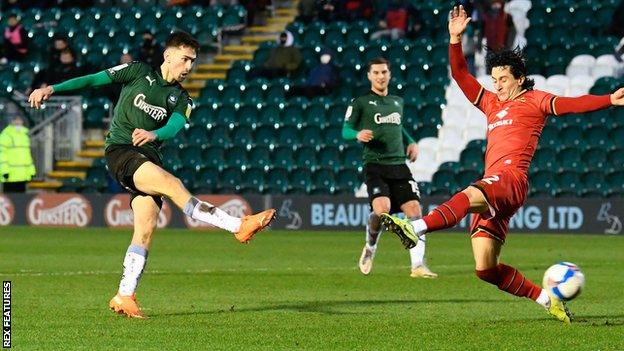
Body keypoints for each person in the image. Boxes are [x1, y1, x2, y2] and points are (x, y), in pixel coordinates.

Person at [381, 6, 624, 323]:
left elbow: (571, 105)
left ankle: (416, 228)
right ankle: (545, 298)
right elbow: (460, 75)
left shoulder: (535, 101)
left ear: (520, 79)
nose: (498, 85)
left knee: (469, 194)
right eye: (495, 79)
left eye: (504, 79)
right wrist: (455, 38)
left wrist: (608, 99)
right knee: (486, 269)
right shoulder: (491, 103)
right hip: (495, 187)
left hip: (511, 180)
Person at [27, 31, 276, 319]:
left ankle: (125, 295)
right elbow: (94, 79)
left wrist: (154, 133)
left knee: (145, 230)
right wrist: (53, 89)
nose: (189, 67)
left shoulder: (182, 99)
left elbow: (174, 127)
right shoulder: (137, 72)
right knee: (173, 184)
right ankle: (237, 225)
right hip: (122, 152)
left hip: (149, 160)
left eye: (193, 61)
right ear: (168, 55)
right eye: (185, 59)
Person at [342, 57, 437, 278]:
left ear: (389, 74)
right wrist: (356, 134)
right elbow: (345, 129)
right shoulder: (360, 102)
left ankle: (417, 265)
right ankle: (370, 247)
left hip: (399, 165)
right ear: (369, 76)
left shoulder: (397, 102)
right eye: (376, 73)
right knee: (381, 211)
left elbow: (398, 126)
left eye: (384, 72)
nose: (380, 76)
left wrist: (411, 141)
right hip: (375, 165)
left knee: (415, 211)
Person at [0, 116, 36, 192]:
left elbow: (27, 155)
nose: (18, 122)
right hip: (10, 176)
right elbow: (2, 155)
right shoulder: (5, 135)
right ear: (11, 122)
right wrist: (4, 171)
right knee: (10, 200)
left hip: (23, 176)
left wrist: (31, 171)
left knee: (20, 200)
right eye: (15, 120)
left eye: (19, 120)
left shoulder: (25, 135)